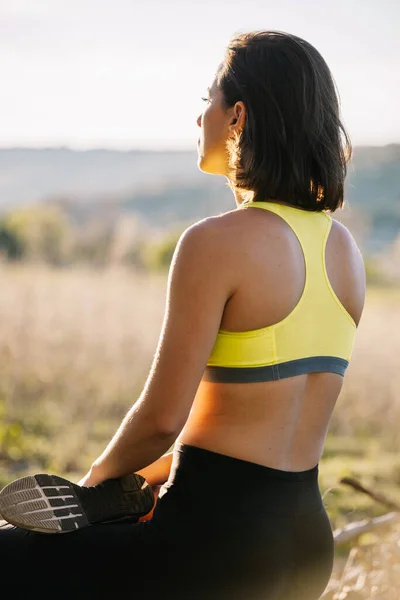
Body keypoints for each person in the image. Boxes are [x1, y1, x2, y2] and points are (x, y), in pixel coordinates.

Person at [0, 30, 366, 600]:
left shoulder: (215, 242)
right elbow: (254, 429)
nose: (200, 119)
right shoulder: (345, 252)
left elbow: (161, 420)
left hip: (212, 545)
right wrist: (144, 481)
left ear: (238, 116)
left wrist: (90, 490)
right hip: (302, 544)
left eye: (209, 100)